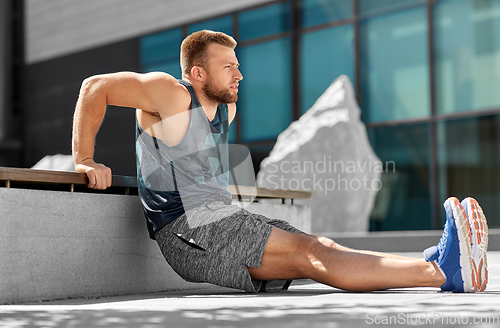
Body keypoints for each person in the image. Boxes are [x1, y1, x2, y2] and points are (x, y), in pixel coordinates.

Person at [72, 30, 488, 293]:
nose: (239, 75)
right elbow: (95, 87)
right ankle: (444, 271)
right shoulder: (171, 93)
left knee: (317, 250)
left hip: (217, 222)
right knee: (313, 252)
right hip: (187, 231)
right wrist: (84, 159)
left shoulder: (224, 112)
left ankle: (436, 264)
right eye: (228, 67)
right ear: (197, 73)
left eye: (238, 66)